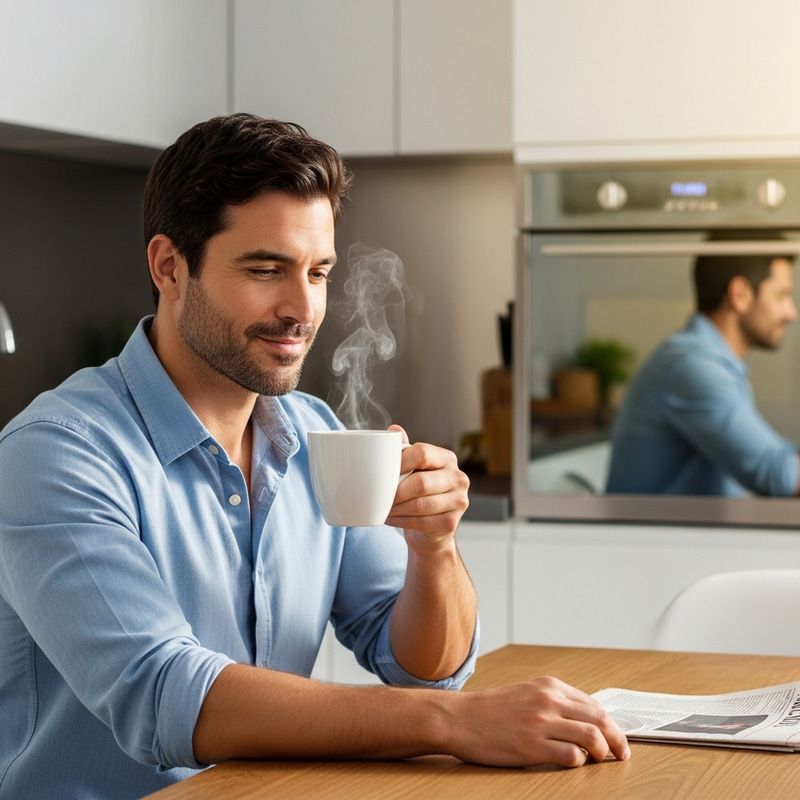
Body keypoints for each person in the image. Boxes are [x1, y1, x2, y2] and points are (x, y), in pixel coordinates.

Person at [0, 114, 628, 799]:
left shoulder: (311, 434)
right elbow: (162, 693)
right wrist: (454, 723)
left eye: (319, 272)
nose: (302, 308)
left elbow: (421, 665)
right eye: (266, 270)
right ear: (169, 266)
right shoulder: (56, 455)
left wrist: (434, 549)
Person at [606, 238, 800, 496]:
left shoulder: (706, 362)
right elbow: (779, 475)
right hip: (657, 536)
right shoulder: (693, 367)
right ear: (740, 294)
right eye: (781, 295)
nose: (791, 312)